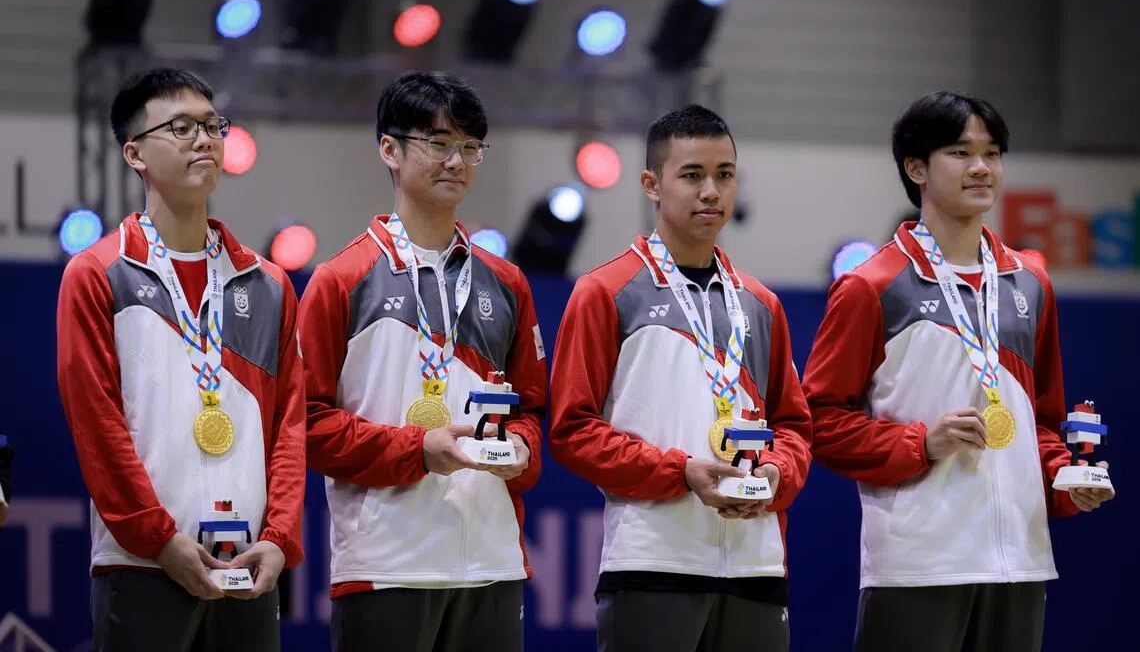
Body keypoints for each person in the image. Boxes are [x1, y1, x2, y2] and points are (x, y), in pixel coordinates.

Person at [801, 91, 1114, 652]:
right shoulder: (871, 287)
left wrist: (1066, 480)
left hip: (1020, 562)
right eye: (961, 152)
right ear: (915, 167)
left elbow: (1042, 422)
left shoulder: (1030, 282)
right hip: (919, 565)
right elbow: (818, 420)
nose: (981, 168)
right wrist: (923, 442)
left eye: (992, 153)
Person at [56, 68, 306, 651]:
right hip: (142, 564)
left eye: (212, 126)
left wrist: (278, 537)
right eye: (181, 127)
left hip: (248, 565)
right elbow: (98, 427)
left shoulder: (267, 284)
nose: (204, 139)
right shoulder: (97, 275)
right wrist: (159, 539)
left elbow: (289, 427)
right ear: (134, 153)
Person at [548, 105, 812, 652]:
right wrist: (680, 471)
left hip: (755, 565)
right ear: (652, 184)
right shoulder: (606, 292)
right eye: (692, 175)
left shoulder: (759, 305)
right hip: (651, 562)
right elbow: (572, 429)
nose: (711, 191)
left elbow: (794, 428)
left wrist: (773, 477)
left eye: (724, 174)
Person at [299, 71, 547, 652]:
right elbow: (306, 422)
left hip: (492, 562)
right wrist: (417, 449)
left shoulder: (506, 282)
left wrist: (522, 452)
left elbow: (533, 408)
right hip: (384, 564)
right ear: (390, 149)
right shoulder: (341, 281)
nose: (456, 161)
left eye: (469, 147)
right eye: (438, 144)